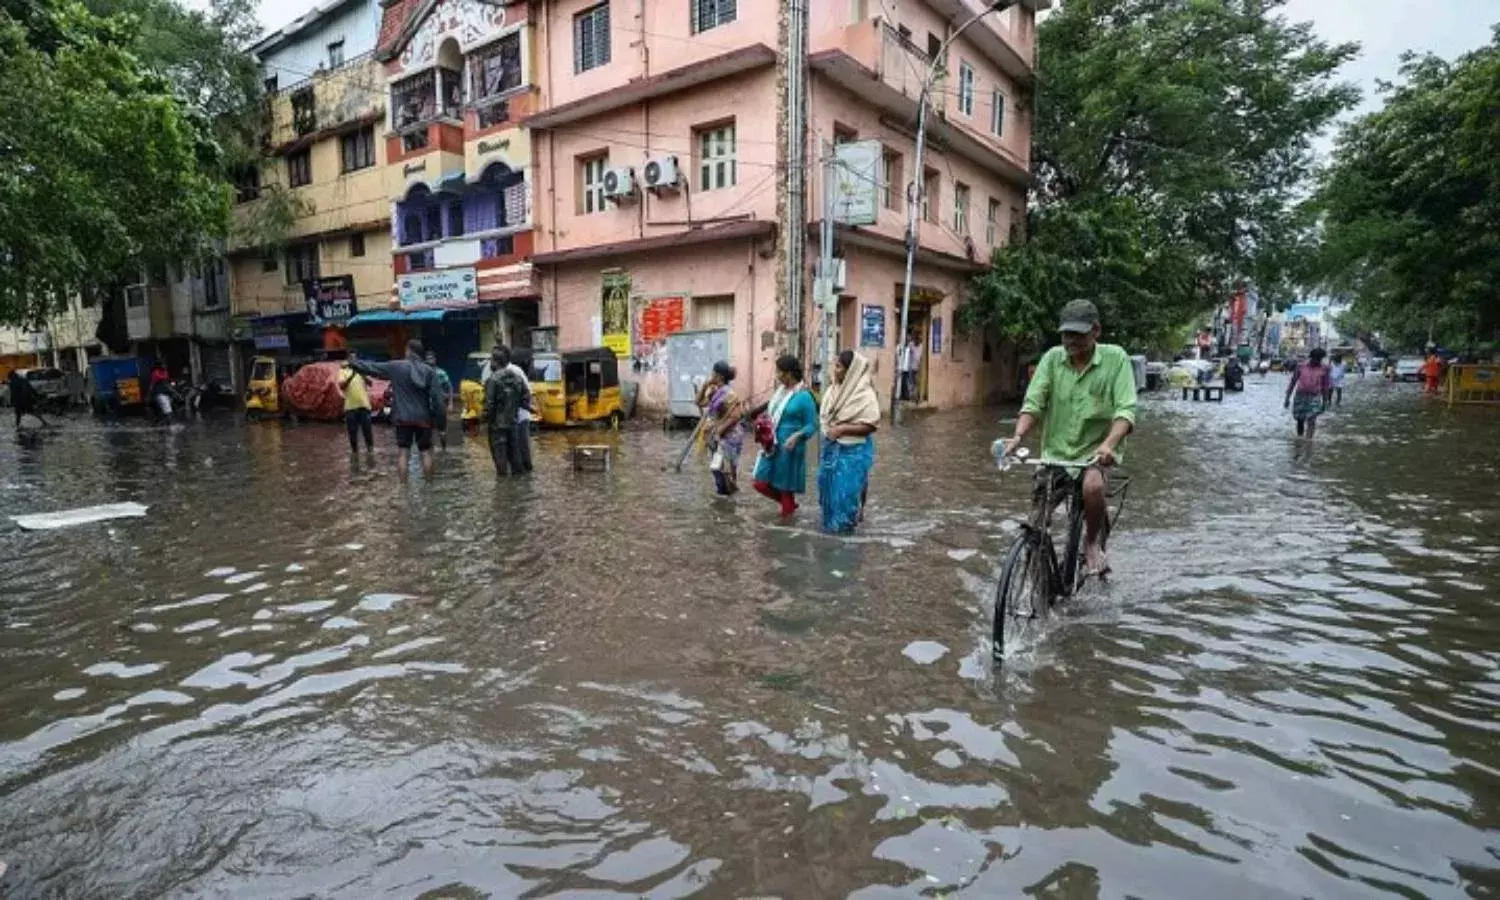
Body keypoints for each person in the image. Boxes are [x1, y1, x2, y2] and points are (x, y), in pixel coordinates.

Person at [1000, 299, 1137, 576]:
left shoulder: (1116, 359)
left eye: (1078, 334)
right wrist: (1017, 437)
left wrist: (1108, 445)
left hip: (1095, 452)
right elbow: (1033, 404)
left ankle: (1090, 543)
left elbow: (1126, 411)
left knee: (1093, 487)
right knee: (1036, 520)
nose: (1070, 341)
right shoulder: (1051, 359)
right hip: (1056, 454)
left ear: (1096, 331)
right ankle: (1035, 571)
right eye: (1066, 334)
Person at [352, 340, 442, 480]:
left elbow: (372, 368)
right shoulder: (429, 371)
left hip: (402, 419)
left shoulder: (396, 367)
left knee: (403, 453)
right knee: (425, 452)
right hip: (424, 419)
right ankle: (429, 486)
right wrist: (441, 426)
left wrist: (353, 363)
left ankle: (403, 489)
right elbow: (438, 400)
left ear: (408, 350)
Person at [817, 350, 880, 533]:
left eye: (838, 366)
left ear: (851, 370)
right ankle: (831, 536)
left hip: (853, 451)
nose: (834, 370)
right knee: (827, 493)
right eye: (835, 365)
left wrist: (843, 429)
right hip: (831, 447)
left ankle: (845, 542)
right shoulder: (832, 390)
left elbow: (871, 424)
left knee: (845, 495)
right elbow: (825, 418)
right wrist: (831, 431)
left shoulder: (864, 394)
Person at [751, 355, 818, 517]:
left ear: (789, 374)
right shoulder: (780, 393)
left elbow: (813, 425)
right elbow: (771, 414)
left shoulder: (804, 396)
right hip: (772, 445)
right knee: (759, 482)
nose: (777, 375)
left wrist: (797, 436)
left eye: (779, 372)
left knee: (785, 489)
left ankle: (787, 524)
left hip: (790, 447)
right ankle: (790, 506)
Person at [697, 361, 746, 496]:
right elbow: (699, 402)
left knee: (722, 467)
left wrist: (719, 431)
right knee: (718, 467)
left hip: (730, 437)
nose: (711, 376)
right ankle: (724, 496)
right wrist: (705, 385)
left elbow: (735, 416)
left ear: (719, 376)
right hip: (717, 436)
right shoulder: (715, 392)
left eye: (713, 373)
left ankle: (730, 496)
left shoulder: (729, 394)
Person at [483, 345, 529, 477]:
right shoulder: (517, 378)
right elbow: (525, 399)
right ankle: (518, 491)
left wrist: (483, 420)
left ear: (495, 361)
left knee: (500, 462)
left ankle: (503, 491)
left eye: (491, 360)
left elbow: (489, 406)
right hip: (513, 424)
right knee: (516, 460)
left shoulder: (492, 380)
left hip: (497, 427)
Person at [1284, 347, 1332, 442]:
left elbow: (1325, 386)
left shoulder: (1324, 369)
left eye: (1320, 359)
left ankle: (1309, 441)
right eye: (1316, 358)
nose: (1318, 361)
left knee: (1311, 419)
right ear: (1311, 357)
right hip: (1300, 396)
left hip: (1314, 397)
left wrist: (1325, 401)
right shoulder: (1301, 366)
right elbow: (1293, 382)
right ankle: (1300, 439)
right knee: (1300, 420)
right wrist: (1287, 398)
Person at [506, 347, 535, 474]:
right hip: (509, 417)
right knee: (513, 446)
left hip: (520, 416)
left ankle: (527, 470)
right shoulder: (499, 372)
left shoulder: (514, 371)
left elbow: (527, 393)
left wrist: (524, 406)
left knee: (522, 445)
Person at [339, 350, 374, 454]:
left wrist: (361, 374)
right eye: (351, 358)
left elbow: (371, 383)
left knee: (368, 432)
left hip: (364, 406)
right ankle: (355, 454)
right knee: (352, 433)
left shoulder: (362, 370)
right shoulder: (343, 371)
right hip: (350, 408)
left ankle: (370, 452)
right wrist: (352, 374)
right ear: (348, 360)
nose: (354, 360)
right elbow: (342, 386)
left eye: (355, 358)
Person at [425, 351, 453, 449]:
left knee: (442, 430)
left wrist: (450, 403)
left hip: (440, 405)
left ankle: (444, 449)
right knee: (428, 430)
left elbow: (449, 387)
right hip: (427, 406)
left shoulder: (441, 373)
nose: (430, 361)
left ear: (435, 360)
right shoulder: (423, 373)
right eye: (428, 359)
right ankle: (430, 451)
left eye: (431, 358)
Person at [898, 330, 922, 402]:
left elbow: (921, 357)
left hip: (918, 367)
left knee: (917, 383)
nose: (917, 340)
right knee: (911, 382)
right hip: (911, 367)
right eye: (915, 338)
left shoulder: (921, 346)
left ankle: (916, 396)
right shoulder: (911, 345)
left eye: (918, 338)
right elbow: (906, 351)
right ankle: (911, 396)